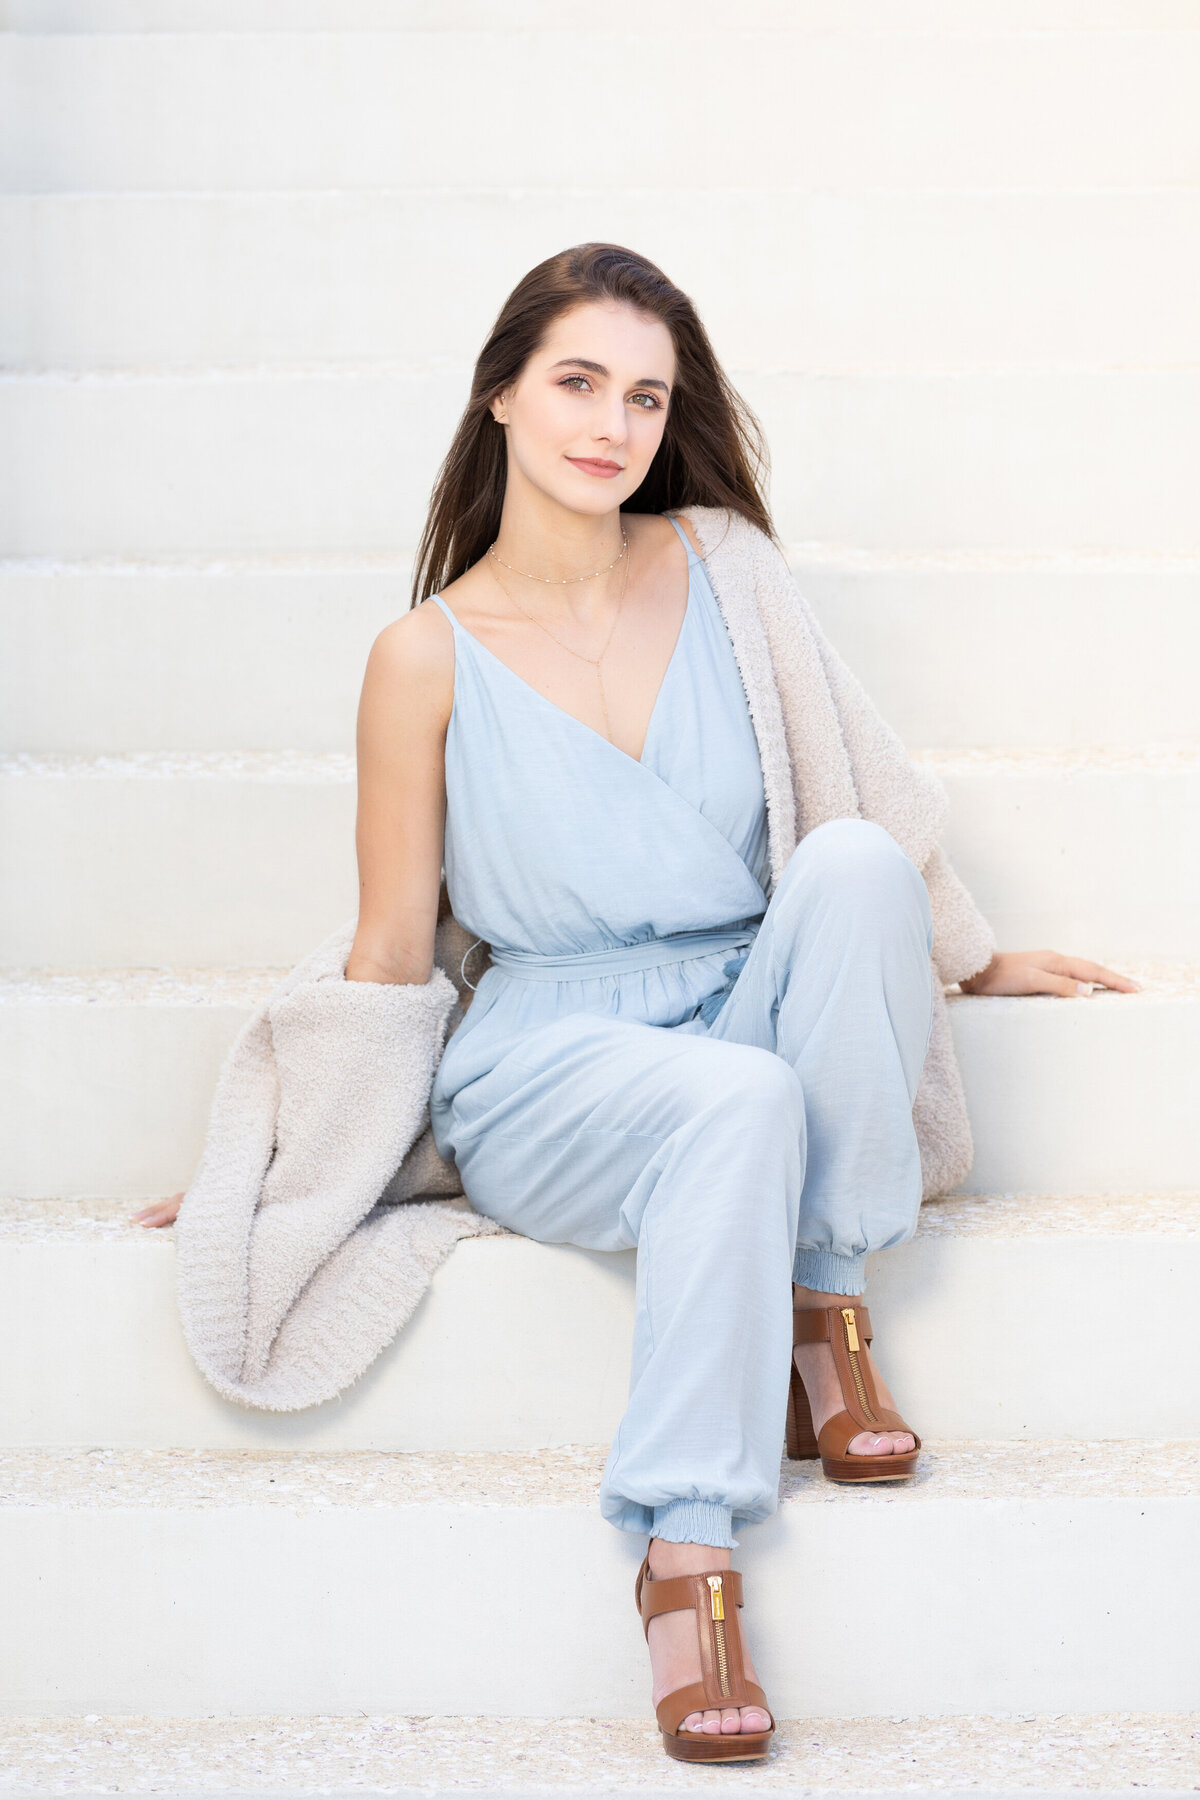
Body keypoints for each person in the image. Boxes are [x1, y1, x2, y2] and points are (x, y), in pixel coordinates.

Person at [136, 243, 1138, 1765]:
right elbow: (394, 944)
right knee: (740, 1099)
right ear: (501, 399)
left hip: (741, 999)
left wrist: (968, 956)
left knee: (858, 862)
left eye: (647, 397)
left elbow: (855, 780)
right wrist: (295, 1166)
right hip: (551, 1061)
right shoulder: (422, 658)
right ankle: (686, 1548)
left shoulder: (725, 565)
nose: (612, 425)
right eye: (579, 383)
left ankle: (821, 1293)